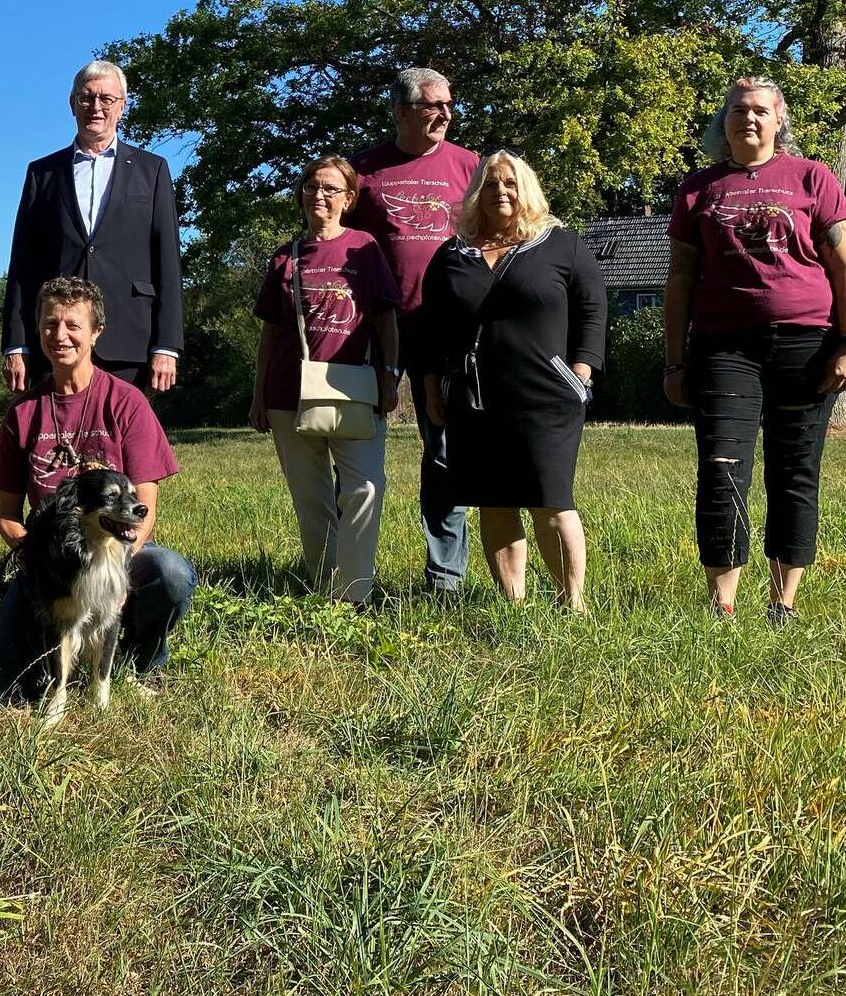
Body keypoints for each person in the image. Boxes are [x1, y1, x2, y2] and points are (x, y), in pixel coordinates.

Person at [663, 77, 846, 625]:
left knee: (795, 470)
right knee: (723, 467)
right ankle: (722, 602)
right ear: (722, 122)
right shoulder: (697, 189)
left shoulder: (811, 177)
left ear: (780, 122)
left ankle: (783, 602)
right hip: (723, 347)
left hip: (806, 343)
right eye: (737, 111)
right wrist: (674, 361)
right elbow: (679, 279)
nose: (747, 119)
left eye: (759, 111)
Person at [0, 277, 196, 700]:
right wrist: (34, 558)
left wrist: (116, 572)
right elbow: (6, 516)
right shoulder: (23, 413)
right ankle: (47, 645)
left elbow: (144, 505)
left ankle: (139, 661)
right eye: (50, 324)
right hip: (51, 568)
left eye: (73, 325)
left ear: (96, 332)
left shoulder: (127, 402)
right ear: (37, 330)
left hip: (118, 554)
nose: (60, 336)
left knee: (171, 573)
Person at [420, 152, 605, 612]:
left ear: (526, 190)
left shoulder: (560, 244)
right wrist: (431, 386)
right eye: (489, 184)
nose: (500, 192)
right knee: (493, 500)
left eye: (509, 184)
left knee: (550, 498)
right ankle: (514, 606)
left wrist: (582, 370)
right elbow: (430, 327)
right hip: (473, 397)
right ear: (475, 194)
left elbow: (593, 308)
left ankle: (572, 603)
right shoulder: (451, 254)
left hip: (546, 396)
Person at [350, 66, 482, 598]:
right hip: (374, 323)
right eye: (433, 105)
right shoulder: (363, 172)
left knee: (445, 446)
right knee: (357, 443)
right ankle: (350, 570)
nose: (445, 114)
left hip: (446, 327)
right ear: (402, 112)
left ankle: (446, 578)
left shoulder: (470, 167)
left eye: (449, 104)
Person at [248, 156, 402, 604]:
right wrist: (258, 395)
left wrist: (390, 376)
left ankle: (355, 593)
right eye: (312, 187)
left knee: (366, 487)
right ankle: (324, 588)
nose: (320, 196)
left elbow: (386, 319)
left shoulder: (365, 249)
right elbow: (270, 332)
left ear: (349, 199)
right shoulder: (285, 256)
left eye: (332, 189)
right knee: (311, 498)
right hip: (287, 394)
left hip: (354, 387)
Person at [0, 60, 184, 394]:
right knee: (54, 443)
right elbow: (22, 265)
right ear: (72, 104)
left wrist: (167, 345)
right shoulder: (43, 173)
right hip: (56, 341)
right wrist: (16, 344)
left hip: (129, 340)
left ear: (122, 106)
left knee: (124, 443)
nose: (95, 107)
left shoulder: (152, 170)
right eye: (86, 98)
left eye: (106, 99)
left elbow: (167, 262)